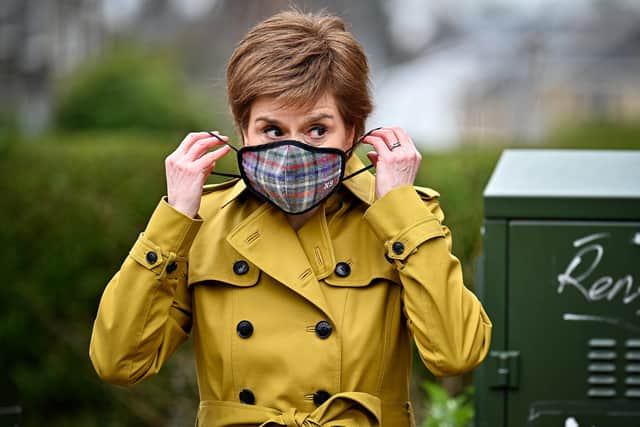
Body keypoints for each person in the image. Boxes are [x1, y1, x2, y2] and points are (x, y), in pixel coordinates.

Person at [89, 10, 492, 427]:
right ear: (242, 130)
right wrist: (172, 219)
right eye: (273, 131)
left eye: (317, 129)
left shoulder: (398, 219)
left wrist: (400, 209)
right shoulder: (203, 223)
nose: (293, 153)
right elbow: (117, 360)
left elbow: (457, 353)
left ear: (352, 132)